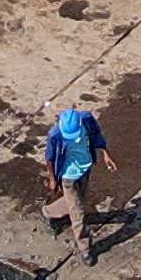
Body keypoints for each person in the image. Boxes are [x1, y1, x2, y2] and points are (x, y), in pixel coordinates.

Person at [41, 103, 104, 260]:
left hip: (84, 167)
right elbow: (49, 158)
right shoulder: (55, 135)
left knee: (78, 201)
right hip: (67, 175)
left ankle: (49, 212)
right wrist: (52, 178)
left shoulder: (87, 120)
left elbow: (97, 136)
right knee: (78, 212)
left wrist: (105, 153)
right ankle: (85, 248)